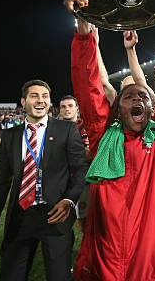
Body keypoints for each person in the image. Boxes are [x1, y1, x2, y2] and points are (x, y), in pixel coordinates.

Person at [66, 0, 155, 280]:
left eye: (143, 96)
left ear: (152, 109)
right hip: (106, 265)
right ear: (117, 109)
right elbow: (87, 89)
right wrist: (83, 26)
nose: (137, 98)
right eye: (129, 96)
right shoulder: (103, 137)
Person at [0, 79, 87, 280]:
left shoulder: (66, 130)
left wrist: (69, 200)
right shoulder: (10, 136)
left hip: (55, 216)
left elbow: (80, 171)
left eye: (45, 96)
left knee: (58, 277)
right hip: (20, 218)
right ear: (23, 101)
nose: (40, 100)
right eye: (34, 95)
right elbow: (0, 182)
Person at [58, 95, 91, 231]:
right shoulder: (54, 128)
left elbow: (90, 154)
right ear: (59, 110)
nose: (67, 109)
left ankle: (86, 247)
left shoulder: (86, 126)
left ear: (77, 108)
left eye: (70, 106)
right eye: (63, 107)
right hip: (62, 180)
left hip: (83, 179)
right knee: (63, 219)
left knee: (84, 217)